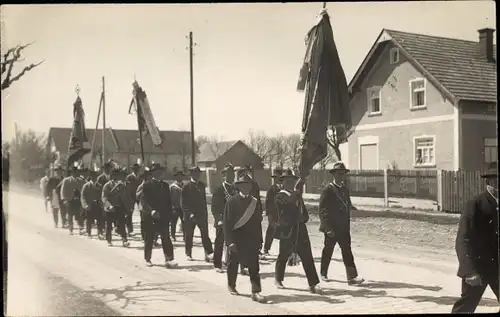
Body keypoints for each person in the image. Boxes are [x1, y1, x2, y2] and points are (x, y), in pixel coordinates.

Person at [451, 163, 499, 313]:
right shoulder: (475, 205)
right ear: (488, 183)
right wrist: (469, 271)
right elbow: (464, 240)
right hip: (479, 267)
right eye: (497, 183)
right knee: (466, 306)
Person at [274, 168, 324, 294]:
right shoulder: (280, 195)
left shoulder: (296, 195)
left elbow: (303, 212)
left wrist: (304, 218)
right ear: (283, 182)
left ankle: (313, 283)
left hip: (300, 229)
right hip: (287, 230)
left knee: (307, 256)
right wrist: (296, 193)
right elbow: (288, 204)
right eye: (287, 180)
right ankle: (278, 279)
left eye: (292, 180)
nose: (290, 182)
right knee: (283, 255)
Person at [318, 162, 364, 285]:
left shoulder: (344, 189)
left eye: (343, 174)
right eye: (339, 173)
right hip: (332, 227)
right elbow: (322, 210)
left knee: (347, 251)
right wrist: (327, 227)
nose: (341, 176)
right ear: (334, 174)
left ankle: (352, 277)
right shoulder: (327, 190)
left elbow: (347, 203)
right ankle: (323, 273)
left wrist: (352, 208)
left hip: (343, 227)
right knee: (328, 250)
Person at [224, 173, 267, 303]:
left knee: (254, 266)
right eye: (244, 185)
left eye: (249, 185)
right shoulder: (232, 201)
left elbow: (257, 223)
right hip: (237, 239)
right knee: (233, 264)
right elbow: (227, 223)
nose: (247, 187)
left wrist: (260, 240)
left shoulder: (255, 202)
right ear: (239, 187)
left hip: (252, 239)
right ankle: (231, 285)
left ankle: (256, 291)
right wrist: (229, 242)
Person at [138, 163, 178, 268]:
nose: (159, 174)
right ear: (153, 174)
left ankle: (169, 259)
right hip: (150, 216)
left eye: (160, 172)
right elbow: (144, 201)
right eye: (156, 172)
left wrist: (170, 213)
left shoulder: (165, 186)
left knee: (166, 237)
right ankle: (148, 258)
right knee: (149, 238)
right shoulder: (146, 185)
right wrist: (151, 211)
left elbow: (168, 201)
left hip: (163, 216)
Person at [181, 165, 214, 262]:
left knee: (205, 235)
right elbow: (183, 203)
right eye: (195, 173)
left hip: (201, 215)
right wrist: (190, 214)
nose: (197, 175)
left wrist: (205, 214)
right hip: (190, 216)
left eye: (198, 173)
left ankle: (208, 254)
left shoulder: (201, 185)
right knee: (189, 235)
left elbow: (203, 201)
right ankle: (188, 253)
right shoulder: (186, 187)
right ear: (191, 174)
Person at [236, 165, 263, 274]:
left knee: (253, 241)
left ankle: (250, 265)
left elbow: (258, 199)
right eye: (245, 171)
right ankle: (243, 266)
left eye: (248, 171)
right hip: (243, 216)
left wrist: (260, 212)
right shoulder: (239, 184)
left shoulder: (254, 184)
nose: (247, 173)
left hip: (254, 215)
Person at [212, 163, 237, 273]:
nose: (231, 176)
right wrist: (219, 219)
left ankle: (230, 262)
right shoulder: (219, 189)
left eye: (232, 174)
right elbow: (214, 207)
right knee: (220, 242)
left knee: (233, 242)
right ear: (224, 176)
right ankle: (217, 264)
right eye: (228, 174)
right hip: (222, 220)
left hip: (234, 220)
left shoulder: (236, 189)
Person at [102, 167, 132, 247]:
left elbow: (126, 197)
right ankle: (109, 240)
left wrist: (129, 207)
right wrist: (109, 205)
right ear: (112, 176)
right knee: (109, 225)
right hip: (110, 209)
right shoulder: (107, 186)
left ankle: (124, 240)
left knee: (122, 224)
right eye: (115, 175)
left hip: (120, 208)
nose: (117, 177)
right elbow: (104, 197)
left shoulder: (123, 186)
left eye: (119, 175)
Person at [262, 167, 283, 257]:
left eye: (277, 177)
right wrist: (269, 215)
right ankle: (266, 248)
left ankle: (284, 250)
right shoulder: (271, 189)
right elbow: (268, 202)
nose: (275, 180)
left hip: (282, 214)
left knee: (283, 232)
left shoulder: (285, 188)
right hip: (273, 214)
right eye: (274, 178)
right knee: (271, 231)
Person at [81, 168, 105, 239]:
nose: (95, 178)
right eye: (93, 177)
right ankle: (89, 233)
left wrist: (102, 204)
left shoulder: (100, 186)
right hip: (89, 205)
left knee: (100, 219)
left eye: (96, 177)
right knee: (89, 220)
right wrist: (85, 205)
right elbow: (83, 196)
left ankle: (100, 233)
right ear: (90, 177)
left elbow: (102, 195)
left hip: (97, 205)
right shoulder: (86, 186)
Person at [61, 165, 85, 235]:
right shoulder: (66, 180)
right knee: (70, 215)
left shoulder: (80, 180)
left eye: (77, 172)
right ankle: (71, 229)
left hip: (78, 201)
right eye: (74, 172)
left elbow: (83, 189)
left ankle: (81, 229)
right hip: (69, 200)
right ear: (72, 173)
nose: (75, 173)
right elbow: (63, 190)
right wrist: (64, 199)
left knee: (79, 215)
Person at [125, 163, 141, 237]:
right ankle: (129, 230)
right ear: (132, 169)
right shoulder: (129, 177)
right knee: (129, 213)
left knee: (142, 212)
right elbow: (127, 188)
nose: (136, 170)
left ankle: (143, 230)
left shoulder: (141, 177)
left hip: (140, 197)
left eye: (137, 168)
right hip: (131, 197)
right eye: (134, 169)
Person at [170, 170, 185, 242]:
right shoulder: (172, 186)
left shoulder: (185, 186)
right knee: (173, 222)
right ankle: (173, 235)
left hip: (183, 207)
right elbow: (169, 197)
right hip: (175, 207)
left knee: (184, 222)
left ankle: (185, 237)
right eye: (178, 176)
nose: (180, 177)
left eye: (181, 176)